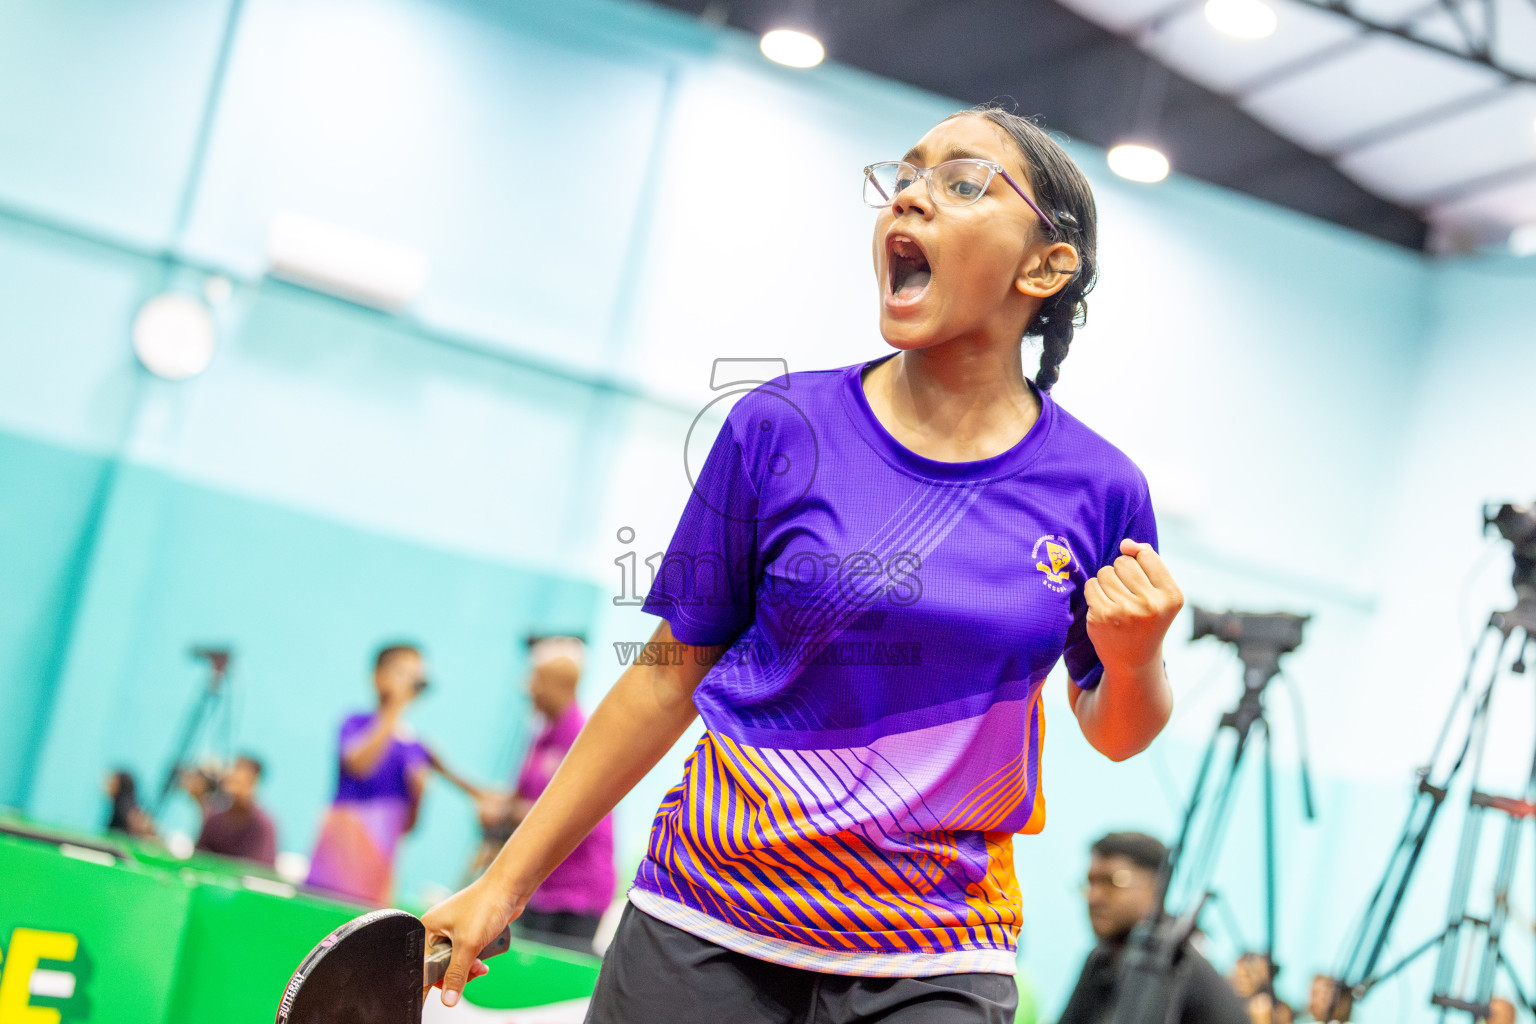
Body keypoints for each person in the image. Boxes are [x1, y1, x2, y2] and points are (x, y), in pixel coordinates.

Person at [423, 104, 1186, 1023]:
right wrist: (504, 884)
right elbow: (668, 676)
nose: (911, 196)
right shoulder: (780, 428)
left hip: (938, 944)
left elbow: (1115, 728)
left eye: (962, 181)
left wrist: (1138, 656)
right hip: (706, 919)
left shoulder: (1098, 488)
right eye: (903, 176)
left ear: (1045, 265)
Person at [306, 643, 484, 904]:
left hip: (376, 868)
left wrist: (419, 795)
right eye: (401, 672)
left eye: (415, 676)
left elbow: (409, 826)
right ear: (377, 676)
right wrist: (392, 709)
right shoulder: (354, 723)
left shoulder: (417, 746)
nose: (409, 682)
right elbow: (359, 764)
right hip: (336, 858)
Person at [470, 637, 616, 953]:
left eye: (534, 678)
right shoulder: (540, 737)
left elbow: (573, 814)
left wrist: (510, 812)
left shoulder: (584, 737)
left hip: (577, 892)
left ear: (556, 682)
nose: (528, 688)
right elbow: (521, 799)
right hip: (537, 887)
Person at [1059, 832, 1248, 1024]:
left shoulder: (1174, 962)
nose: (1094, 897)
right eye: (1091, 883)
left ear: (1157, 885)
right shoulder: (1102, 959)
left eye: (1112, 882)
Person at [180, 754, 278, 866]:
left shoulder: (262, 825)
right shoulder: (215, 821)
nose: (234, 777)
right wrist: (199, 801)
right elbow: (199, 858)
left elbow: (260, 872)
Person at [103, 769, 157, 840]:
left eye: (112, 782)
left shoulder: (123, 802)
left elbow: (136, 821)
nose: (109, 785)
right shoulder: (125, 802)